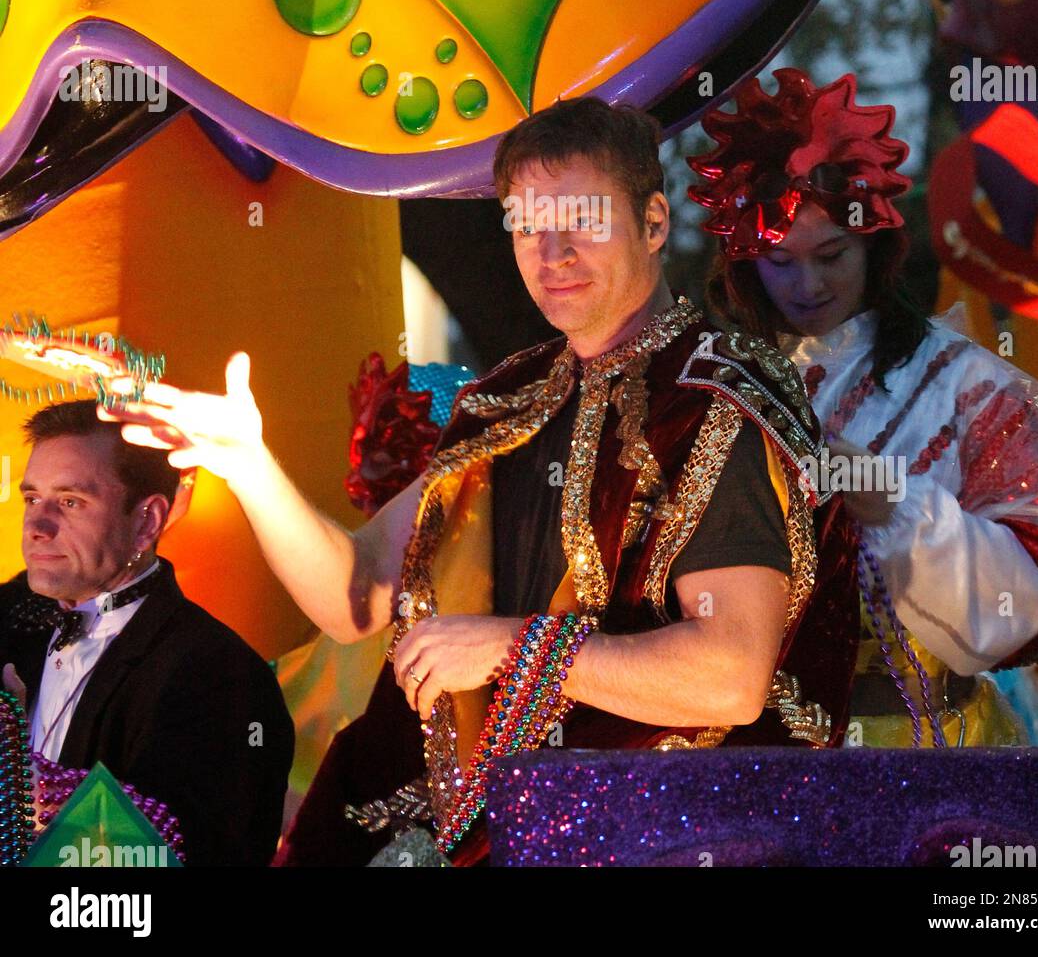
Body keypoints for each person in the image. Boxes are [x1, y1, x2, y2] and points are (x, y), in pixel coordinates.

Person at [99, 96, 861, 866]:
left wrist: (508, 649)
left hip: (656, 835)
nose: (551, 252)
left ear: (654, 223)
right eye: (527, 225)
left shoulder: (713, 397)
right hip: (480, 824)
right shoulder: (513, 400)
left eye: (581, 220)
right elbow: (354, 596)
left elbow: (728, 675)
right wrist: (248, 462)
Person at [689, 68, 1038, 747]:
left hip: (927, 750)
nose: (808, 284)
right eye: (780, 263)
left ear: (873, 242)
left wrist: (893, 505)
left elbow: (1033, 592)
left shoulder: (957, 380)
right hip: (751, 755)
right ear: (742, 263)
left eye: (831, 254)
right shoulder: (710, 390)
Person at [0, 399, 295, 864]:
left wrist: (21, 777)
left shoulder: (223, 677)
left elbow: (194, 853)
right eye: (32, 498)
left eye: (70, 502)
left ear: (146, 520)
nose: (36, 524)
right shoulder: (9, 615)